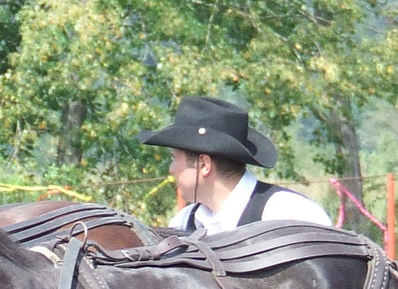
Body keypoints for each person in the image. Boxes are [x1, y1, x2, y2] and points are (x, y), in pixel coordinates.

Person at [139, 96, 331, 234]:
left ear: (204, 165)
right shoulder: (182, 223)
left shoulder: (289, 215)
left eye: (174, 158)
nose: (171, 170)